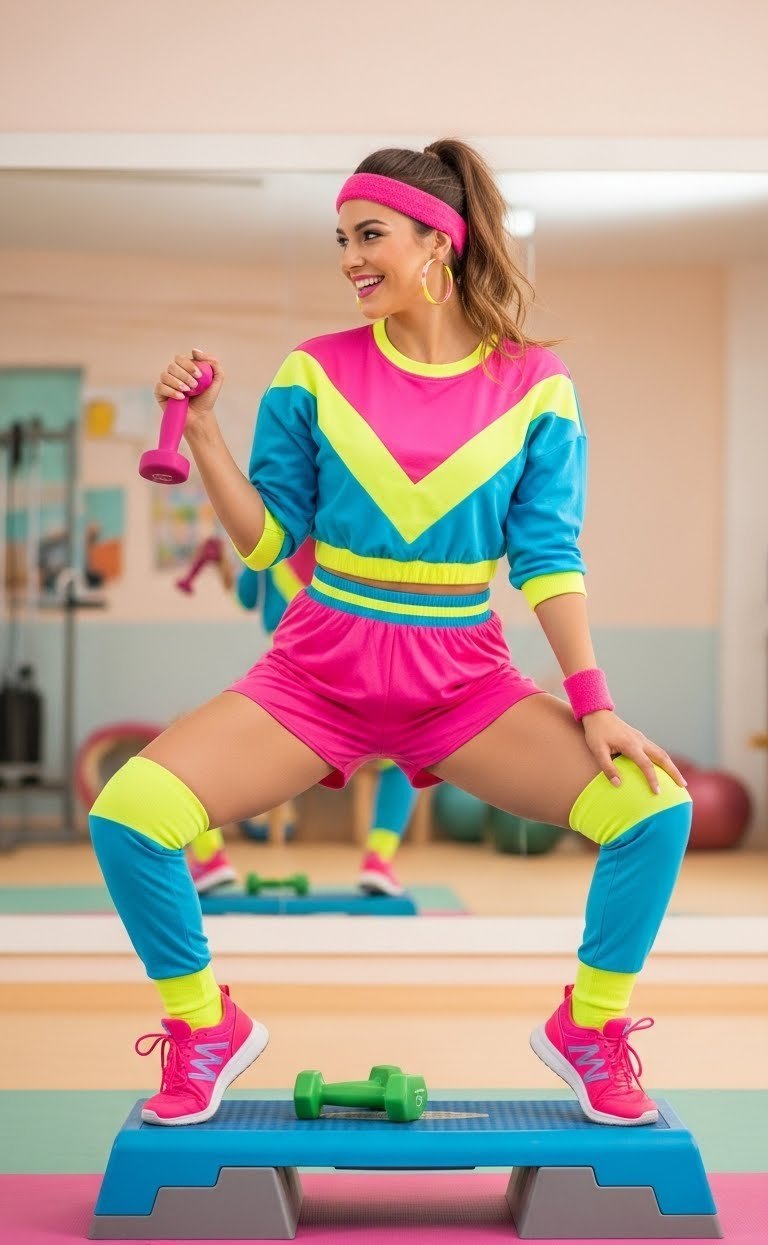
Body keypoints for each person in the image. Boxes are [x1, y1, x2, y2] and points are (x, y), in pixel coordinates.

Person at [90, 139, 691, 1129]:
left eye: (369, 236)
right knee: (129, 814)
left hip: (464, 688)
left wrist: (596, 705)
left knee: (655, 811)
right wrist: (202, 434)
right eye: (341, 240)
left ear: (436, 243)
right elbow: (270, 539)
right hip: (315, 678)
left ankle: (592, 1027)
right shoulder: (313, 371)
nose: (349, 259)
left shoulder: (535, 385)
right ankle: (206, 1028)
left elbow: (547, 559)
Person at [187, 549, 418, 896]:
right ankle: (379, 860)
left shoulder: (273, 541)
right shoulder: (352, 540)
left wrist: (222, 564)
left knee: (199, 752)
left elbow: (244, 598)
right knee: (407, 756)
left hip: (291, 683)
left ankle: (210, 857)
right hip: (358, 678)